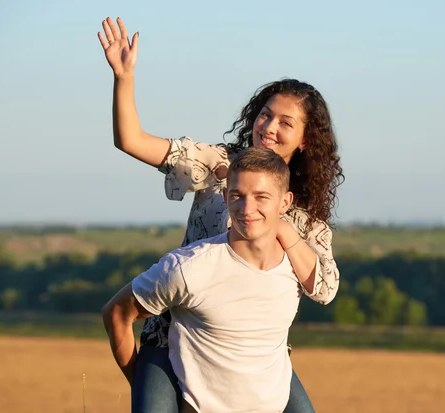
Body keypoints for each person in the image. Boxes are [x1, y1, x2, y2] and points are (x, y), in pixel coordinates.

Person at [98, 16, 344, 413]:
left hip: (252, 356)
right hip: (176, 333)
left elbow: (325, 289)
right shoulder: (216, 163)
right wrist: (123, 77)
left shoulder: (304, 218)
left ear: (305, 141)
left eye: (286, 122)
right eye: (266, 114)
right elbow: (131, 141)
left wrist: (283, 229)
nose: (269, 126)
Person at [103, 147, 304, 412]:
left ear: (285, 203)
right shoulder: (188, 268)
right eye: (237, 196)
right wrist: (142, 385)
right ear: (225, 197)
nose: (247, 208)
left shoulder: (296, 268)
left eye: (261, 197)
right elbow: (116, 313)